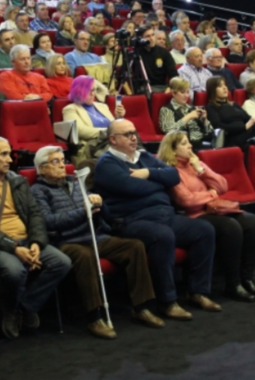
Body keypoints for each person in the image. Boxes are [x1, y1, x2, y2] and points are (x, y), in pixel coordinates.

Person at [31, 146, 162, 339]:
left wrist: (100, 205)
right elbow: (48, 221)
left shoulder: (76, 182)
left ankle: (141, 307)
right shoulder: (38, 191)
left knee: (134, 247)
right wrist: (83, 211)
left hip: (94, 235)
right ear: (42, 169)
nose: (62, 166)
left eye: (63, 160)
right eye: (55, 162)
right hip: (66, 241)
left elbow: (102, 215)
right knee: (85, 255)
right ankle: (95, 316)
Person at [94, 120, 220, 319]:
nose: (134, 137)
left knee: (204, 230)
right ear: (113, 139)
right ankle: (167, 302)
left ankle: (197, 291)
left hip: (164, 215)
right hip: (131, 220)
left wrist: (148, 173)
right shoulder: (106, 163)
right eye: (127, 134)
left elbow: (173, 176)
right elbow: (130, 187)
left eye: (134, 132)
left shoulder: (143, 157)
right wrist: (159, 182)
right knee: (163, 236)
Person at [0, 137, 72, 339]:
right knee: (15, 271)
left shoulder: (18, 181)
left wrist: (37, 243)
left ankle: (22, 306)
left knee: (61, 262)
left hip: (27, 240)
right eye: (3, 154)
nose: (10, 160)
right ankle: (14, 307)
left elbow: (35, 215)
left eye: (9, 154)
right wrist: (14, 248)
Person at [157, 131, 255, 302]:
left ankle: (247, 278)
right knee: (231, 227)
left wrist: (201, 170)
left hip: (214, 210)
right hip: (193, 216)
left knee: (253, 222)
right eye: (185, 143)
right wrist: (212, 195)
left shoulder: (195, 164)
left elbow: (223, 186)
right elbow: (187, 201)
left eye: (189, 142)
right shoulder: (170, 171)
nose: (190, 146)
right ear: (173, 149)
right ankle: (232, 283)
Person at [63, 75, 124, 164]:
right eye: (89, 91)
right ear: (79, 91)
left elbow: (114, 125)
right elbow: (80, 130)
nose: (93, 94)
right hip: (93, 145)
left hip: (112, 140)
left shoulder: (103, 106)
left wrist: (120, 117)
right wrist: (109, 132)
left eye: (94, 90)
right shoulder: (70, 109)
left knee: (131, 138)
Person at [205, 76, 255, 148]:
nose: (224, 88)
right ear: (212, 90)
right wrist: (243, 127)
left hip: (246, 133)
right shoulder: (211, 107)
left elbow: (248, 118)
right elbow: (218, 126)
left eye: (225, 85)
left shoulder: (234, 104)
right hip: (232, 137)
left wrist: (253, 120)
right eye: (220, 86)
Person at [158, 77, 215, 147]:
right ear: (173, 93)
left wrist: (204, 120)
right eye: (182, 92)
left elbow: (209, 131)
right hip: (186, 143)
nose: (186, 96)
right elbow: (169, 130)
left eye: (188, 92)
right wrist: (188, 117)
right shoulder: (166, 110)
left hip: (203, 139)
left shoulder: (193, 108)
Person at [134, 26, 178, 92]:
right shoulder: (136, 53)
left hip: (162, 87)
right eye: (148, 36)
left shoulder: (164, 52)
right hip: (143, 88)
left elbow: (173, 74)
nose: (151, 38)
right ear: (141, 39)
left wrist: (170, 87)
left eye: (153, 35)